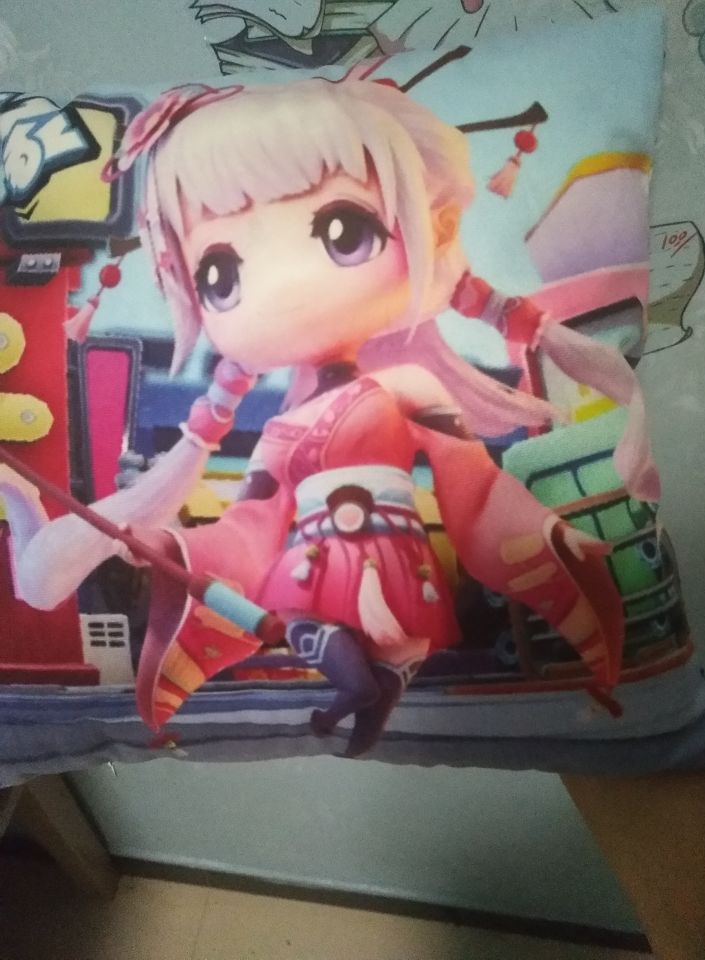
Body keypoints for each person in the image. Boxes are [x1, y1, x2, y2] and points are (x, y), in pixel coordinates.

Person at [0, 78, 655, 756]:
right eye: (220, 273)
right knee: (307, 629)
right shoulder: (280, 432)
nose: (284, 285)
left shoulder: (406, 385)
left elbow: (477, 495)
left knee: (332, 637)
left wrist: (544, 541)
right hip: (315, 572)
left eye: (345, 231)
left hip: (386, 562)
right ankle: (365, 694)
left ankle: (366, 690)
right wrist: (177, 551)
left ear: (432, 229)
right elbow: (251, 530)